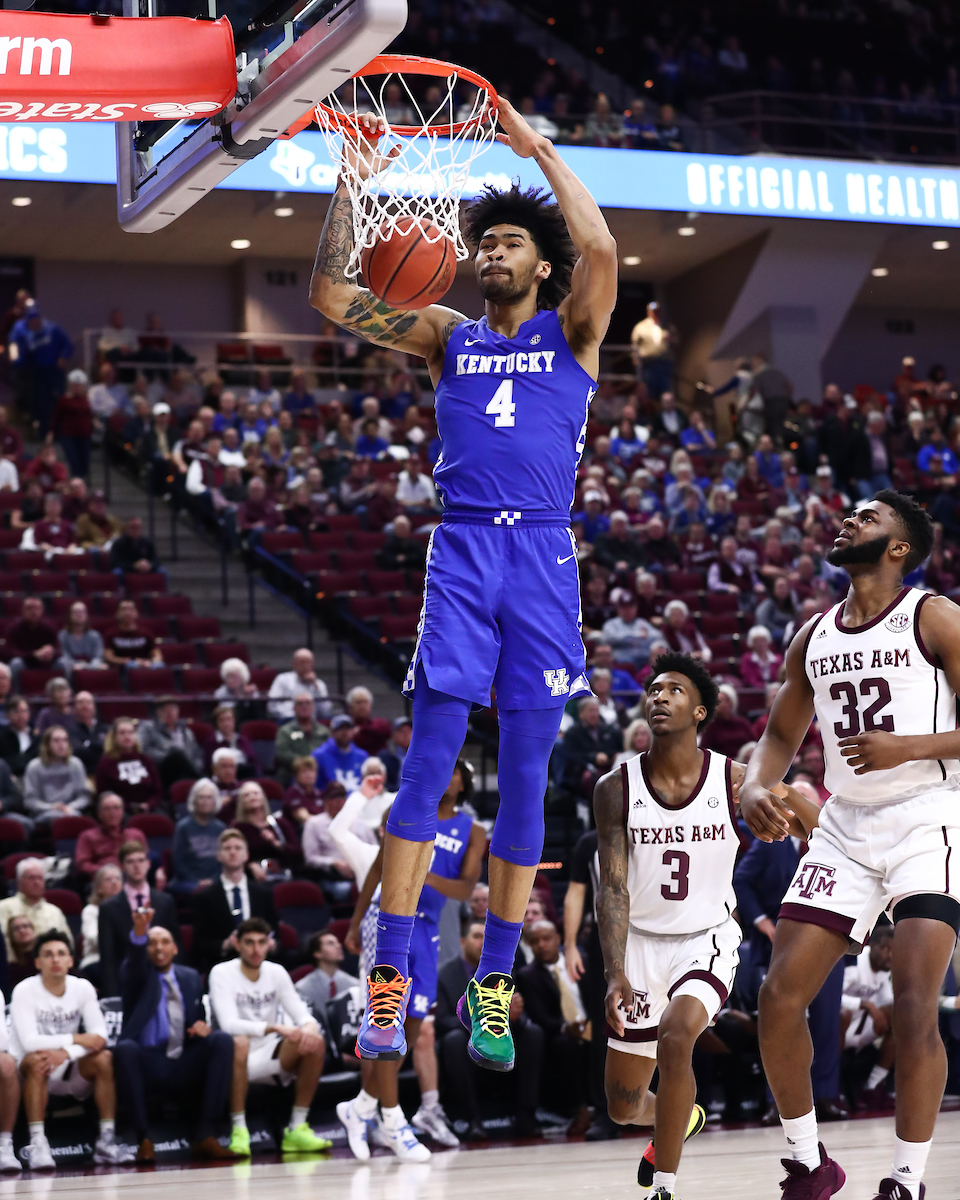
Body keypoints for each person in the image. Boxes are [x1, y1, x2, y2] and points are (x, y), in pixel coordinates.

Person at [311, 99, 617, 1069]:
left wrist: (542, 149)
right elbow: (329, 296)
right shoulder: (446, 334)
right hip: (466, 548)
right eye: (483, 242)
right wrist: (355, 177)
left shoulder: (575, 331)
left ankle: (491, 990)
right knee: (428, 763)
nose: (491, 252)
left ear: (540, 265)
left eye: (511, 242)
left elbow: (603, 247)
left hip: (543, 558)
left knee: (525, 775)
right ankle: (388, 990)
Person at [739, 490, 960, 1200]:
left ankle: (907, 1181)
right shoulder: (815, 633)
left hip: (928, 817)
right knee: (778, 997)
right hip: (843, 831)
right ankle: (810, 1163)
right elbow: (779, 734)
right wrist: (753, 787)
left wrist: (908, 747)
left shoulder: (935, 616)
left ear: (899, 548)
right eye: (851, 514)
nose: (849, 520)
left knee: (917, 1003)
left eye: (868, 517)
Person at [594, 652, 817, 1197]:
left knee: (676, 1039)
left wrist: (826, 849)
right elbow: (614, 889)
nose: (659, 696)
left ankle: (662, 1188)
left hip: (707, 941)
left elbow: (809, 812)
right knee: (623, 1107)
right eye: (653, 689)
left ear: (699, 712)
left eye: (673, 690)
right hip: (641, 944)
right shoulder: (614, 788)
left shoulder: (734, 779)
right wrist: (615, 971)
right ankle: (680, 1116)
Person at [337, 760, 484, 1158]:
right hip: (389, 922)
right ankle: (392, 1117)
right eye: (445, 768)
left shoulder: (474, 831)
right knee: (387, 1021)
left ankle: (361, 1107)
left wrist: (422, 871)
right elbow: (377, 869)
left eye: (457, 771)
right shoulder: (404, 808)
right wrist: (354, 923)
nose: (449, 775)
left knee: (413, 1029)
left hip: (431, 929)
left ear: (465, 783)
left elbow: (466, 889)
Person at [113, 909, 237, 1163]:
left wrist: (201, 1027)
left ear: (175, 949)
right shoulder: (135, 974)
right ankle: (143, 1140)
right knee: (124, 1048)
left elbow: (198, 1018)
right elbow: (135, 961)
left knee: (221, 1040)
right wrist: (139, 932)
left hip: (181, 1060)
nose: (158, 947)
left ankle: (205, 1135)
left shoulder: (190, 977)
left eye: (165, 942)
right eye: (152, 942)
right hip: (146, 1062)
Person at [11, 931, 135, 1168]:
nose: (55, 960)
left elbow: (100, 1036)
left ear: (71, 960)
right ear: (38, 963)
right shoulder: (24, 990)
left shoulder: (83, 988)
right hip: (33, 1074)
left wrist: (67, 1053)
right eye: (48, 955)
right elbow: (29, 1042)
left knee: (104, 1058)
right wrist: (77, 1038)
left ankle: (106, 1141)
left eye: (61, 954)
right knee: (37, 1059)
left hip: (68, 1066)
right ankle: (38, 1144)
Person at [209, 918, 332, 1156]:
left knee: (314, 1042)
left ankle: (297, 1128)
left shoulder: (276, 972)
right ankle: (239, 1130)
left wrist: (309, 1027)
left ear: (269, 944)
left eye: (261, 942)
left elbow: (301, 1013)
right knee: (240, 1042)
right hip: (232, 1058)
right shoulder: (221, 972)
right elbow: (229, 1024)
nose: (256, 950)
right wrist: (274, 1027)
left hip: (269, 1055)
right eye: (249, 943)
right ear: (237, 944)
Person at [435, 916, 544, 1140]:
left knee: (533, 1033)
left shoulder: (507, 970)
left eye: (486, 937)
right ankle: (472, 1121)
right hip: (464, 1046)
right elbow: (441, 1021)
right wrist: (478, 1024)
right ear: (462, 941)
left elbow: (526, 1013)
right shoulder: (445, 973)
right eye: (476, 936)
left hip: (503, 1037)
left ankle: (527, 1117)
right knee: (453, 1041)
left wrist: (515, 1018)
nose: (482, 942)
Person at [516, 918, 592, 1133]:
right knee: (565, 1044)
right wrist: (565, 1027)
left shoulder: (582, 962)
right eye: (535, 941)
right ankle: (581, 1108)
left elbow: (596, 998)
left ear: (558, 939)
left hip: (592, 1024)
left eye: (546, 939)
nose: (541, 944)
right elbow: (540, 1016)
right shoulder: (527, 976)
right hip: (559, 1033)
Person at [98, 840, 181, 996]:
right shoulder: (108, 908)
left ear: (148, 864)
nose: (137, 866)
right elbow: (108, 957)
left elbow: (177, 944)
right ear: (122, 866)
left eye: (141, 860)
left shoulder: (165, 901)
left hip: (163, 977)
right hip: (127, 980)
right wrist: (111, 995)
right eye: (130, 862)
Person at [191, 829, 278, 975]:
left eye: (238, 848)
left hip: (261, 967)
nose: (233, 852)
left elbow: (275, 935)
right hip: (223, 968)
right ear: (219, 856)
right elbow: (199, 944)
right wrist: (225, 945)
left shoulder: (263, 894)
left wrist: (271, 945)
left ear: (246, 855)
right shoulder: (205, 897)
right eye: (227, 848)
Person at [841, 923, 896, 1109]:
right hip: (837, 1027)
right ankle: (834, 1088)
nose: (889, 955)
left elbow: (888, 1001)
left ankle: (874, 1085)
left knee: (899, 1016)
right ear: (871, 946)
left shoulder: (883, 969)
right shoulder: (854, 963)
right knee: (843, 1014)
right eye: (884, 948)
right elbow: (830, 998)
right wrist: (865, 1005)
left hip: (859, 1029)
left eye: (893, 950)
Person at [0, 858, 73, 960]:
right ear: (19, 881)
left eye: (40, 878)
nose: (36, 882)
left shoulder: (54, 911)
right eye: (31, 878)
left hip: (52, 966)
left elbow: (68, 944)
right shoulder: (3, 907)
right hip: (14, 965)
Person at [22, 725, 89, 827]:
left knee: (75, 820)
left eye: (65, 740)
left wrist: (70, 807)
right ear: (47, 745)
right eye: (56, 741)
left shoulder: (76, 764)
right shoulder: (34, 767)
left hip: (71, 811)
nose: (61, 745)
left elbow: (84, 796)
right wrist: (51, 807)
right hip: (44, 814)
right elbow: (29, 801)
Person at [94, 718, 164, 814]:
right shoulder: (106, 762)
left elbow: (157, 789)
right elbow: (104, 794)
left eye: (131, 732)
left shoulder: (146, 759)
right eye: (122, 733)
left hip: (150, 808)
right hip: (120, 811)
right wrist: (130, 807)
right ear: (114, 737)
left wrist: (149, 804)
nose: (127, 736)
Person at [170, 778, 227, 895]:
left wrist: (213, 880)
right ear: (194, 801)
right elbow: (179, 861)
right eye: (201, 797)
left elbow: (224, 860)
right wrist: (197, 881)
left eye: (209, 797)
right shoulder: (183, 827)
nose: (205, 801)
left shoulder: (221, 828)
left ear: (215, 801)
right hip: (188, 881)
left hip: (215, 879)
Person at [75, 791, 147, 881]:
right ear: (99, 813)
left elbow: (145, 859)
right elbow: (82, 865)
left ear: (123, 811)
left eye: (116, 808)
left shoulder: (136, 835)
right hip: (102, 881)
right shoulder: (87, 836)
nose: (112, 812)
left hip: (132, 878)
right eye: (107, 809)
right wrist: (109, 871)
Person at [232, 780, 301, 870]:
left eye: (256, 793)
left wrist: (276, 843)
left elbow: (298, 853)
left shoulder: (281, 824)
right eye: (246, 795)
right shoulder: (238, 828)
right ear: (241, 802)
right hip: (253, 877)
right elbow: (233, 855)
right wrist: (250, 865)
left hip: (284, 873)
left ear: (263, 797)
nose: (252, 797)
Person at [139, 698, 205, 787]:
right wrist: (168, 755)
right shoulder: (148, 728)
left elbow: (196, 754)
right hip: (163, 770)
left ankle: (199, 781)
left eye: (173, 709)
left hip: (187, 770)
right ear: (158, 712)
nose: (169, 713)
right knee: (177, 755)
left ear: (178, 711)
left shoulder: (186, 731)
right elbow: (144, 750)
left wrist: (197, 766)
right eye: (165, 710)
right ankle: (201, 781)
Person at [296, 929, 358, 1017]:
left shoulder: (354, 985)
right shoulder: (303, 988)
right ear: (317, 953)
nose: (338, 946)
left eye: (338, 942)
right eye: (330, 944)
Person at [79, 863, 123, 985]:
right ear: (99, 888)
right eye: (108, 879)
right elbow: (94, 938)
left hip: (123, 960)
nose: (114, 882)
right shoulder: (91, 910)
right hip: (97, 959)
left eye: (118, 878)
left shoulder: (129, 910)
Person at [274, 692, 330, 783]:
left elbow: (330, 750)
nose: (304, 706)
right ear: (294, 708)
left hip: (320, 771)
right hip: (293, 773)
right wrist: (304, 764)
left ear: (313, 707)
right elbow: (283, 753)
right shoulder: (285, 731)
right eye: (300, 703)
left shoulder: (324, 731)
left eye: (308, 703)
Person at [267, 648, 331, 721]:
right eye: (302, 662)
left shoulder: (319, 684)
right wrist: (294, 716)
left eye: (308, 662)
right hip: (288, 720)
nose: (305, 666)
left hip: (312, 723)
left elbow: (326, 711)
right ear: (294, 664)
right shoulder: (282, 679)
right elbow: (272, 706)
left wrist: (316, 686)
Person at [7, 596, 63, 678]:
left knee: (62, 662)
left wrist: (51, 651)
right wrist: (34, 654)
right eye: (29, 608)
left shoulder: (49, 627)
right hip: (25, 663)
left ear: (42, 610)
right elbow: (9, 652)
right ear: (22, 610)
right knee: (16, 663)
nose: (33, 612)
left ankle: (63, 690)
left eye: (37, 608)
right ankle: (16, 690)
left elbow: (59, 650)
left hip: (46, 663)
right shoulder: (14, 628)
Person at [52, 369, 94, 478]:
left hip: (84, 434)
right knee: (73, 459)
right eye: (75, 385)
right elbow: (57, 417)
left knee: (85, 459)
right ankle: (75, 481)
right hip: (68, 434)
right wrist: (51, 432)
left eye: (79, 385)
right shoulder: (64, 400)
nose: (77, 388)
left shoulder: (86, 399)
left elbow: (89, 415)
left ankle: (83, 482)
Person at [630, 302, 675, 401]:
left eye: (657, 311)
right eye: (653, 311)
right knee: (650, 394)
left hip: (664, 364)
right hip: (649, 365)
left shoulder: (666, 326)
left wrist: (671, 340)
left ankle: (663, 414)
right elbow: (635, 347)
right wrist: (636, 362)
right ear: (649, 312)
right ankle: (652, 412)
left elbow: (676, 341)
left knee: (666, 393)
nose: (655, 314)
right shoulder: (641, 327)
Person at [700, 683, 756, 759]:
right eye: (720, 701)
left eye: (727, 700)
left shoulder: (743, 723)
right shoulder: (710, 726)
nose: (723, 704)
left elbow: (753, 744)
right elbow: (704, 750)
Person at [312, 714, 367, 791]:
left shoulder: (362, 756)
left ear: (353, 731)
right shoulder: (319, 755)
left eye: (348, 728)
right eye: (340, 729)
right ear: (332, 732)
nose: (345, 732)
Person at [103, 599, 162, 668]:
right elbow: (108, 657)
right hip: (121, 668)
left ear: (137, 613)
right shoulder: (111, 633)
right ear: (117, 613)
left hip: (144, 667)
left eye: (131, 609)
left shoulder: (146, 632)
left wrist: (152, 662)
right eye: (123, 609)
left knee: (159, 665)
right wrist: (129, 662)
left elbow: (156, 654)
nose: (127, 613)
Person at [203, 704, 259, 778]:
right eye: (222, 720)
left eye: (229, 719)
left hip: (245, 776)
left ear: (234, 721)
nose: (226, 724)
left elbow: (255, 763)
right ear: (216, 723)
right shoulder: (211, 743)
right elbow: (210, 769)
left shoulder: (242, 740)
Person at [67, 690, 108, 773]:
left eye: (88, 702)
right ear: (75, 707)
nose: (84, 705)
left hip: (105, 773)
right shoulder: (69, 731)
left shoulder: (105, 728)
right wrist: (98, 747)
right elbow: (76, 752)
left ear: (94, 706)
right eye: (81, 702)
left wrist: (88, 745)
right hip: (81, 773)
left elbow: (109, 751)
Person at [58, 601, 105, 670]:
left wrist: (85, 666)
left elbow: (98, 657)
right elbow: (64, 658)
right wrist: (75, 665)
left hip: (91, 671)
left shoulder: (95, 636)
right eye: (76, 612)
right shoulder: (62, 636)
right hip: (70, 671)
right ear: (69, 615)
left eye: (82, 612)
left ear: (87, 615)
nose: (79, 614)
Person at [0, 695, 38, 775]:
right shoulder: (2, 738)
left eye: (24, 711)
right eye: (16, 711)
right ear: (8, 715)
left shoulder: (36, 737)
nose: (21, 715)